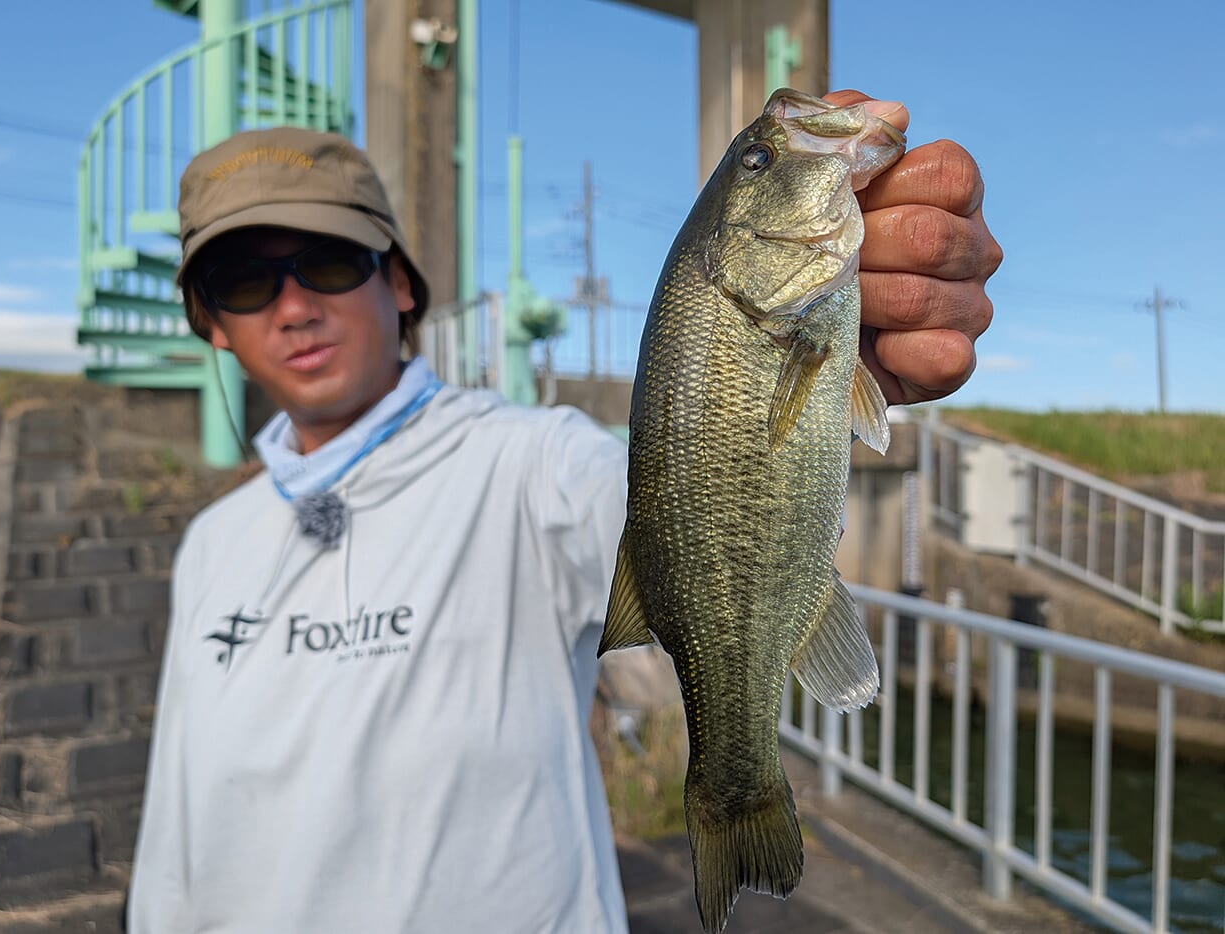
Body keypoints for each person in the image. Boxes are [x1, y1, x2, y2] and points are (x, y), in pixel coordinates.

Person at [126, 90, 1001, 933]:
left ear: (398, 283)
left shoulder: (532, 465)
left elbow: (659, 499)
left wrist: (865, 353)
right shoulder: (211, 542)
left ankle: (736, 788)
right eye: (243, 282)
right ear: (209, 324)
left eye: (328, 263)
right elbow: (177, 816)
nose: (293, 306)